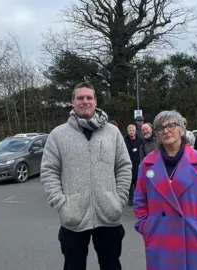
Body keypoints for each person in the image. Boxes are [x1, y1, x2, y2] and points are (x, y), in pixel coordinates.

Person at [40, 82, 132, 270]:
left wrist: (119, 199)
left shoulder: (112, 133)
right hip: (73, 217)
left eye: (89, 97)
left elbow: (124, 166)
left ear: (95, 101)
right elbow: (49, 171)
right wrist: (61, 203)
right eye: (80, 98)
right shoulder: (58, 135)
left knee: (111, 265)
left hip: (109, 216)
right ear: (72, 102)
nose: (85, 101)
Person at [133, 110, 197, 270]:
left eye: (171, 125)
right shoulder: (147, 165)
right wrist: (146, 226)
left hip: (194, 238)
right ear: (157, 134)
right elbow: (139, 201)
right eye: (160, 127)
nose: (166, 130)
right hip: (160, 238)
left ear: (181, 129)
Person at [124, 124, 144, 206]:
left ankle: (136, 198)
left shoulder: (140, 140)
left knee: (137, 181)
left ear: (135, 131)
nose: (131, 132)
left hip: (138, 163)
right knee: (129, 181)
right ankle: (130, 198)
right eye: (130, 130)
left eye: (133, 130)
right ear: (127, 131)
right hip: (128, 163)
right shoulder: (124, 140)